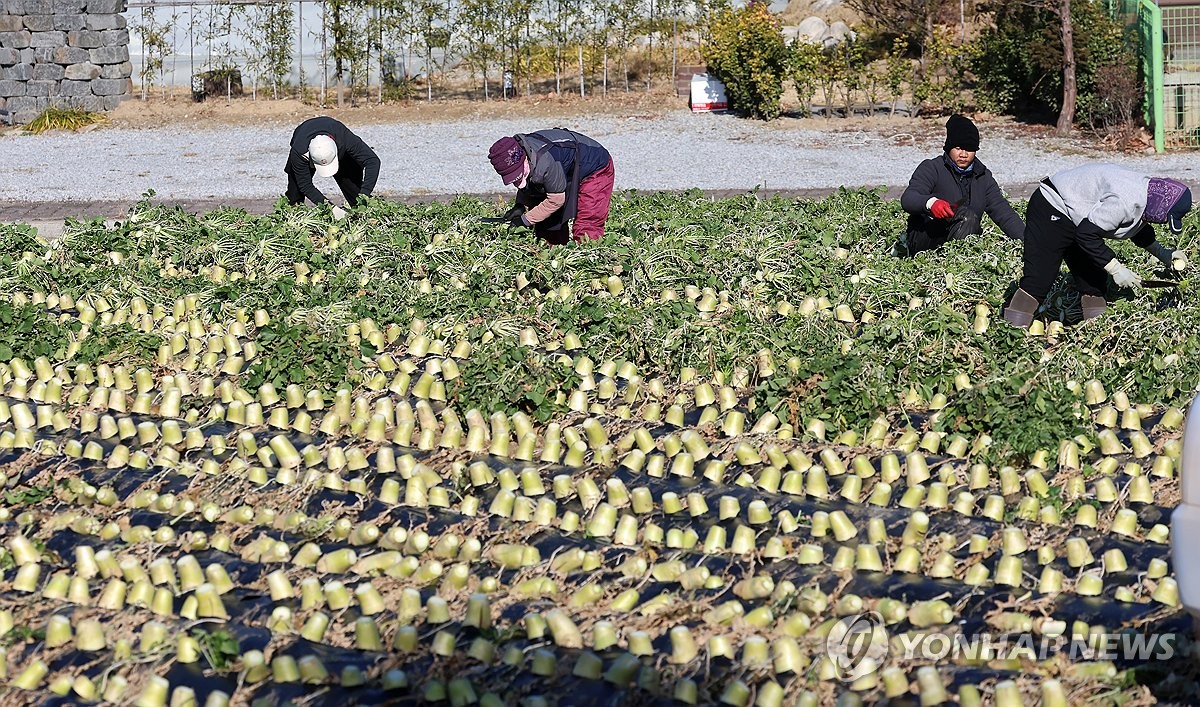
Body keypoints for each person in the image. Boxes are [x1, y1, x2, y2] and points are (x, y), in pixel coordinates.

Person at [1001, 164, 1192, 327]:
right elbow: (1087, 235)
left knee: (1093, 280)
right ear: (1160, 206)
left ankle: (1095, 330)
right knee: (1039, 279)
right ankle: (1012, 333)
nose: (1163, 222)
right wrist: (1115, 268)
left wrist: (1162, 253)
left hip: (1079, 215)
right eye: (1166, 218)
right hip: (1052, 204)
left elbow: (1136, 226)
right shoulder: (1123, 201)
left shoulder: (1149, 192)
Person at [894, 114, 1025, 257]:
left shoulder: (983, 177)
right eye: (958, 148)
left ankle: (959, 267)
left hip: (964, 237)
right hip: (925, 240)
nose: (963, 154)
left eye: (969, 149)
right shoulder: (932, 168)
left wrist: (1029, 242)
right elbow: (909, 198)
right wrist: (931, 203)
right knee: (966, 216)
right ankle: (953, 265)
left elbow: (1004, 213)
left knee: (969, 218)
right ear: (949, 147)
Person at [487, 129, 616, 244]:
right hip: (566, 166)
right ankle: (553, 257)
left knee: (587, 222)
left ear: (525, 159)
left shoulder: (545, 161)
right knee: (547, 223)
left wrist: (525, 220)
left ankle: (589, 262)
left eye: (518, 174)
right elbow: (530, 184)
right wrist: (521, 205)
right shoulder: (525, 153)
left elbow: (556, 200)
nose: (517, 181)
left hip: (596, 166)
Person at [285, 117, 381, 220]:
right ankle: (293, 217)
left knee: (353, 186)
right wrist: (330, 208)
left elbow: (373, 161)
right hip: (302, 138)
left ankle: (363, 214)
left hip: (336, 139)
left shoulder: (344, 138)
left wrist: (364, 195)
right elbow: (305, 185)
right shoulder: (299, 152)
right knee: (294, 191)